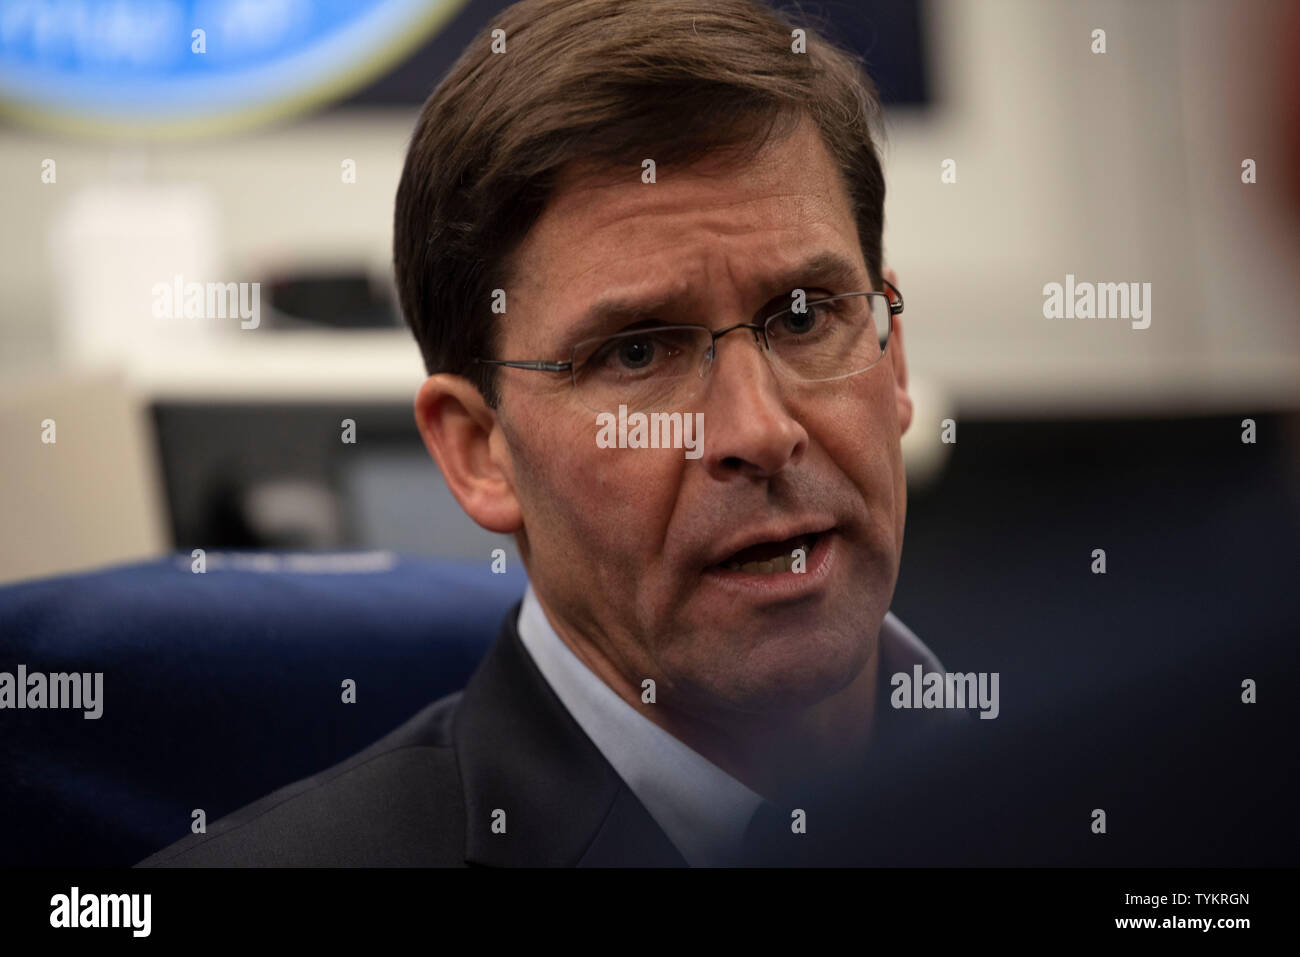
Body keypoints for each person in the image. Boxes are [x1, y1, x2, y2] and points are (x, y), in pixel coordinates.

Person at [139, 0, 951, 868]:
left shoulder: (1098, 786)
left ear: (892, 358)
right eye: (637, 352)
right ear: (479, 451)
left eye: (802, 316)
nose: (761, 429)